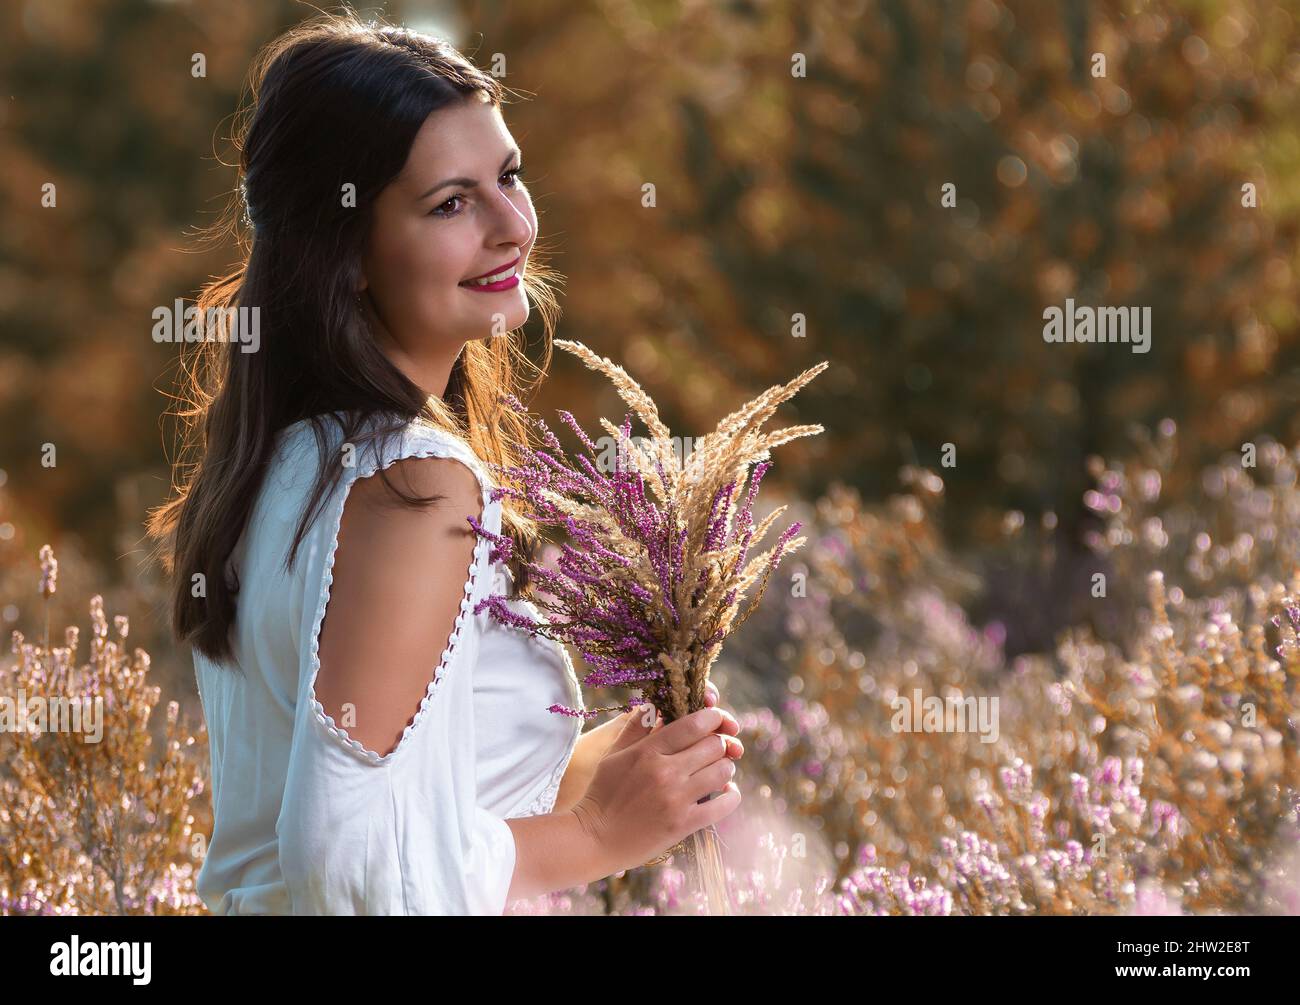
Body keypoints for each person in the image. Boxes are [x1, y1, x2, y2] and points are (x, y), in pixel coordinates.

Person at [145, 12, 742, 915]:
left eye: (508, 176)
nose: (514, 226)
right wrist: (595, 836)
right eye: (450, 203)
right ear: (344, 252)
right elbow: (344, 864)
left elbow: (415, 801)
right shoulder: (416, 487)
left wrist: (608, 772)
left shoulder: (291, 460)